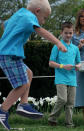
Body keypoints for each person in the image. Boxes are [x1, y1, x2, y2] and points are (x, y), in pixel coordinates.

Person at [0, 0, 66, 130]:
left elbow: (5, 25)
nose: (43, 21)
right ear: (37, 11)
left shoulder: (19, 14)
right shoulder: (28, 17)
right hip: (9, 55)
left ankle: (23, 105)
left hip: (7, 53)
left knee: (28, 74)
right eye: (44, 18)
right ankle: (3, 110)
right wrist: (58, 43)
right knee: (22, 84)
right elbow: (41, 31)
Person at [48, 22, 81, 128]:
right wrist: (62, 66)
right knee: (62, 99)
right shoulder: (56, 46)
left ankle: (69, 123)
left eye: (70, 33)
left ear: (73, 33)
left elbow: (79, 62)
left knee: (70, 103)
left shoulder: (75, 48)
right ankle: (52, 118)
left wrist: (78, 66)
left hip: (72, 78)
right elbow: (51, 63)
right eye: (66, 33)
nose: (68, 35)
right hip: (61, 78)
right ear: (61, 33)